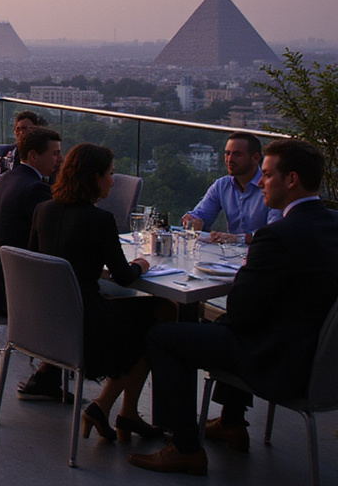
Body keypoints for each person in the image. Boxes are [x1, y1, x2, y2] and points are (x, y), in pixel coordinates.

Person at [129, 139, 338, 476]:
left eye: (267, 176)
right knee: (224, 323)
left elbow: (242, 310)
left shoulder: (278, 236)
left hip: (279, 361)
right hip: (321, 360)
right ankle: (231, 423)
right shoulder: (332, 224)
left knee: (164, 337)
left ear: (292, 180)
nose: (261, 182)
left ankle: (184, 448)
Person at [28, 143, 169, 446]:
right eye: (110, 173)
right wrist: (142, 264)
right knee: (161, 313)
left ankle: (120, 412)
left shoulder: (43, 211)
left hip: (43, 326)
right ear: (94, 178)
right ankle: (112, 408)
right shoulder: (99, 221)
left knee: (143, 318)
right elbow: (123, 276)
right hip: (86, 328)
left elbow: (32, 259)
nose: (113, 180)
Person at [0, 126, 62, 317]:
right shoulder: (34, 189)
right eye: (55, 154)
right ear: (34, 156)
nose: (60, 159)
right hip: (19, 291)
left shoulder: (2, 180)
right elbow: (52, 235)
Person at [180, 131, 281, 244]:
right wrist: (191, 220)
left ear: (256, 158)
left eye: (238, 154)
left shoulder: (271, 187)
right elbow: (201, 214)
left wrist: (238, 239)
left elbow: (274, 232)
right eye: (227, 153)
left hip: (263, 253)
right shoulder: (222, 185)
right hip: (230, 256)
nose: (230, 159)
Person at [0, 111, 46, 175]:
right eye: (18, 130)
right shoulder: (6, 154)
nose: (21, 133)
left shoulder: (43, 155)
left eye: (25, 129)